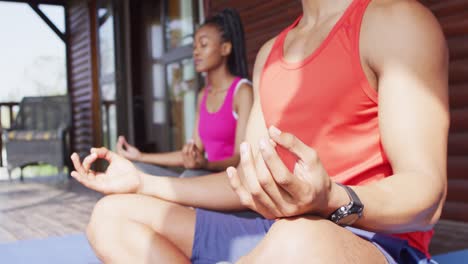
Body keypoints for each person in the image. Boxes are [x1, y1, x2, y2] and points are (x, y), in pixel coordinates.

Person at [70, 0, 449, 263]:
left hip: (367, 245)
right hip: (275, 237)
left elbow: (426, 195)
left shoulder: (398, 22)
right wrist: (141, 181)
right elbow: (242, 181)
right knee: (112, 216)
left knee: (298, 239)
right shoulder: (271, 53)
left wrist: (330, 198)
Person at [116, 8, 253, 177]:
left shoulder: (243, 92)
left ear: (225, 48)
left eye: (203, 45)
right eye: (194, 46)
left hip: (229, 182)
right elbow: (190, 153)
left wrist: (206, 164)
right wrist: (140, 156)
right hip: (204, 177)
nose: (196, 52)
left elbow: (242, 157)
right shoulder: (203, 95)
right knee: (135, 170)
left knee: (189, 176)